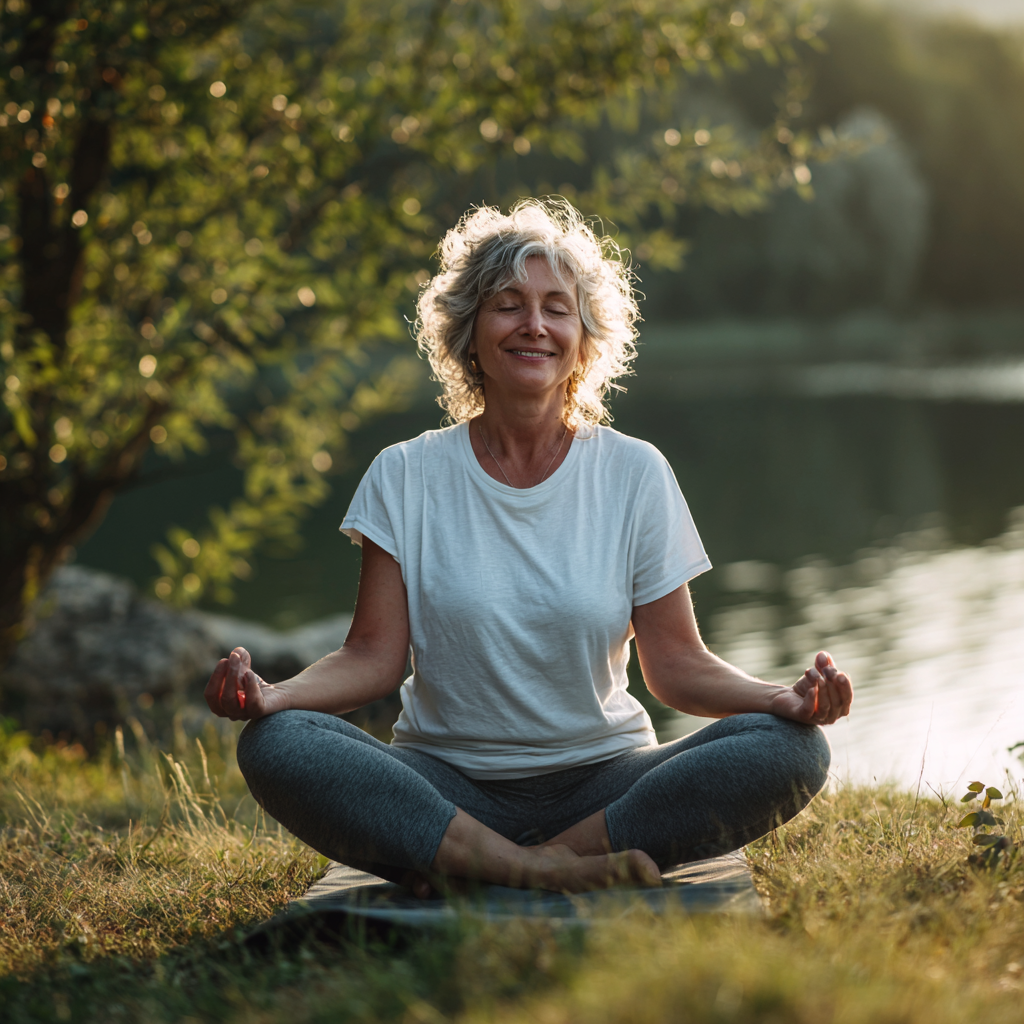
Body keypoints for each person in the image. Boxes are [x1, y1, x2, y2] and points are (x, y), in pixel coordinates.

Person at [205, 199, 853, 896]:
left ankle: (507, 860)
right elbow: (373, 659)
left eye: (556, 308)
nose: (534, 325)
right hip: (445, 784)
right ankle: (527, 868)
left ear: (583, 337)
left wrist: (779, 698)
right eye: (508, 305)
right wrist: (276, 697)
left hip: (604, 788)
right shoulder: (405, 472)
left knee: (787, 749)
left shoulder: (635, 471)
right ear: (469, 333)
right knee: (280, 743)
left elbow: (676, 665)